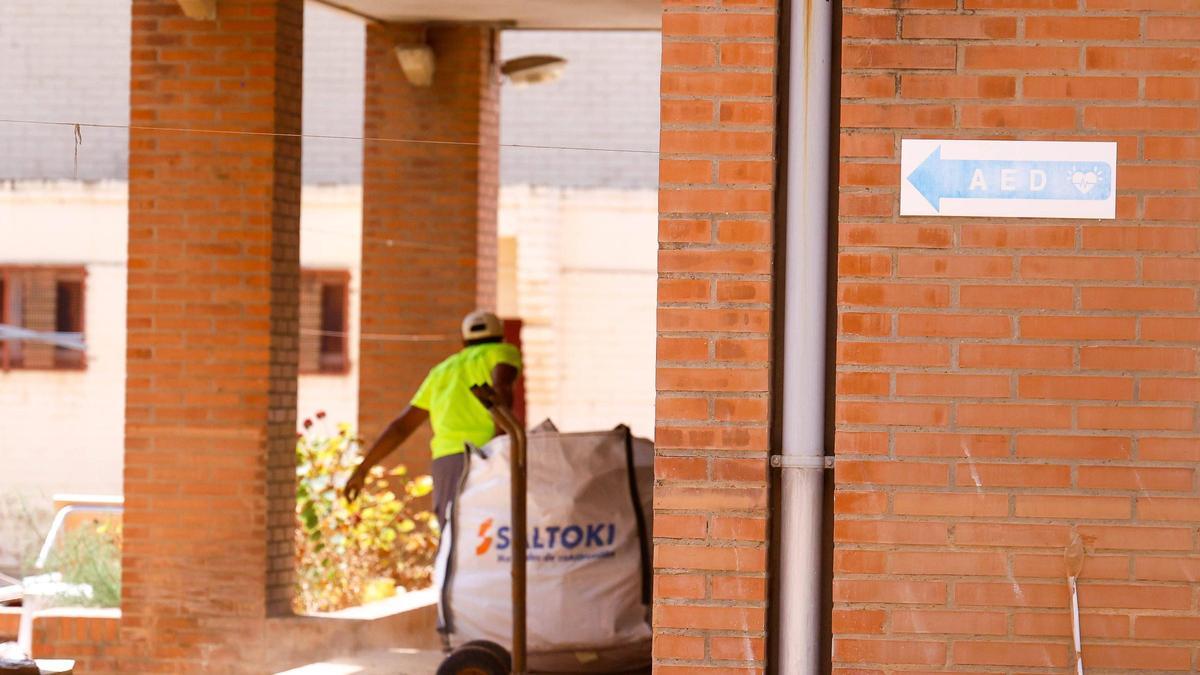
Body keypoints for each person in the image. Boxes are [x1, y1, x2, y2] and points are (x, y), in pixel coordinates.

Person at [344, 310, 521, 526]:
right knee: (494, 527)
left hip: (448, 461)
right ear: (501, 336)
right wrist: (500, 441)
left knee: (451, 532)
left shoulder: (441, 371)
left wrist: (363, 468)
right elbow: (501, 387)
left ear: (463, 341)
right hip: (487, 453)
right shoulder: (503, 352)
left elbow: (401, 427)